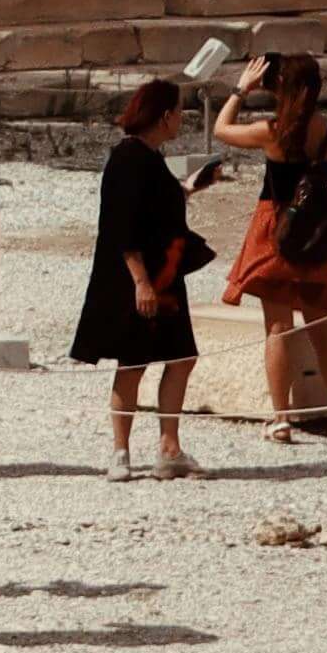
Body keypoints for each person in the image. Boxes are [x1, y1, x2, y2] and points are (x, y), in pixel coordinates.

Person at [217, 43, 327, 445]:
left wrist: (241, 89)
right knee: (322, 329)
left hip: (276, 227)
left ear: (278, 87)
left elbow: (221, 128)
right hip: (316, 230)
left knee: (278, 327)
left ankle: (281, 418)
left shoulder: (271, 131)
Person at [75, 78, 205, 478]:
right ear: (164, 116)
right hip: (140, 278)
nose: (181, 118)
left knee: (180, 357)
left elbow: (155, 207)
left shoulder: (149, 157)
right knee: (132, 362)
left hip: (163, 274)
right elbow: (121, 226)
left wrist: (189, 189)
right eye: (178, 111)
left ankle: (169, 448)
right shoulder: (128, 159)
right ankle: (121, 452)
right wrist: (141, 282)